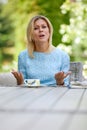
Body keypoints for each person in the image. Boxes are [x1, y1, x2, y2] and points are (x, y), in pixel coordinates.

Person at [18, 15, 71, 87]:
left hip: (56, 96)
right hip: (31, 96)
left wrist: (59, 82)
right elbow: (23, 85)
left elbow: (66, 86)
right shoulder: (23, 56)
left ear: (49, 31)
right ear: (31, 34)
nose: (41, 30)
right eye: (36, 28)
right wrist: (20, 82)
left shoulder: (63, 56)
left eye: (44, 27)